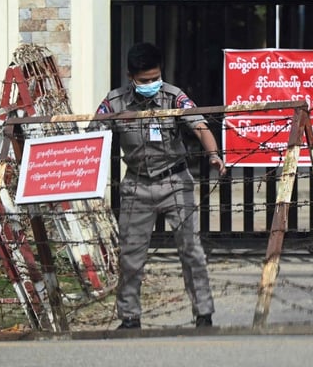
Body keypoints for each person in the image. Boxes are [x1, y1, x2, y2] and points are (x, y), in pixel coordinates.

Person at [90, 42, 226, 330]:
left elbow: (200, 125)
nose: (152, 84)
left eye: (155, 78)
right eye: (145, 81)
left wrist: (213, 154)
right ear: (130, 77)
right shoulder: (114, 103)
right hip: (137, 184)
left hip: (176, 182)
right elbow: (92, 136)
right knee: (130, 255)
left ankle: (204, 314)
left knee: (191, 251)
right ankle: (129, 317)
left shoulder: (173, 97)